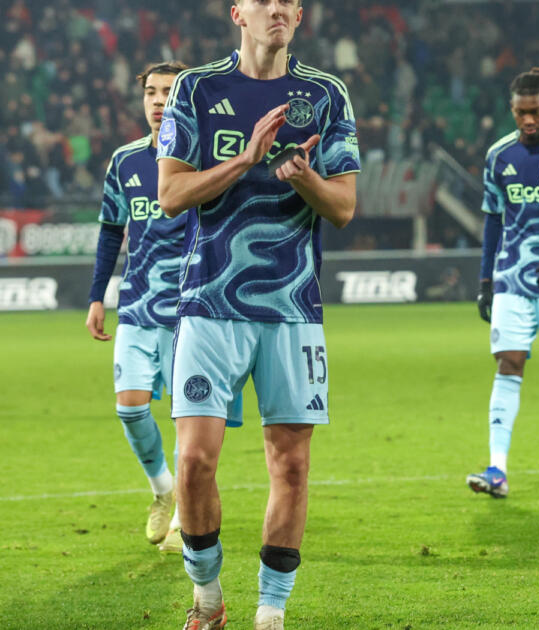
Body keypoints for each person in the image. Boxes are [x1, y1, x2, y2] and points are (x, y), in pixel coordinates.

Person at [156, 0, 360, 627]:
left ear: (298, 16)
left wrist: (301, 176)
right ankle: (208, 598)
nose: (276, 8)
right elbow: (170, 195)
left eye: (287, 2)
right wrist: (245, 160)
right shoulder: (197, 88)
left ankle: (271, 613)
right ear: (237, 13)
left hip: (293, 306)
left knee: (291, 464)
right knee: (194, 461)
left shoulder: (326, 95)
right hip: (209, 302)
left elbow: (343, 208)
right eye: (262, 0)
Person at [86, 61, 189, 553]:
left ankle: (187, 514)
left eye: (169, 92)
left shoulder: (202, 157)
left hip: (192, 309)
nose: (158, 101)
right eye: (151, 92)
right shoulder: (125, 160)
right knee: (130, 408)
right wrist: (96, 296)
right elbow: (111, 230)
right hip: (139, 305)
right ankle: (164, 490)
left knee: (190, 418)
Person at [469, 67, 539, 498]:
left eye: (536, 112)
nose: (528, 120)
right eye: (521, 113)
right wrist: (485, 280)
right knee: (508, 363)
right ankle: (497, 468)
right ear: (512, 110)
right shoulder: (499, 156)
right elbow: (493, 219)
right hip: (512, 277)